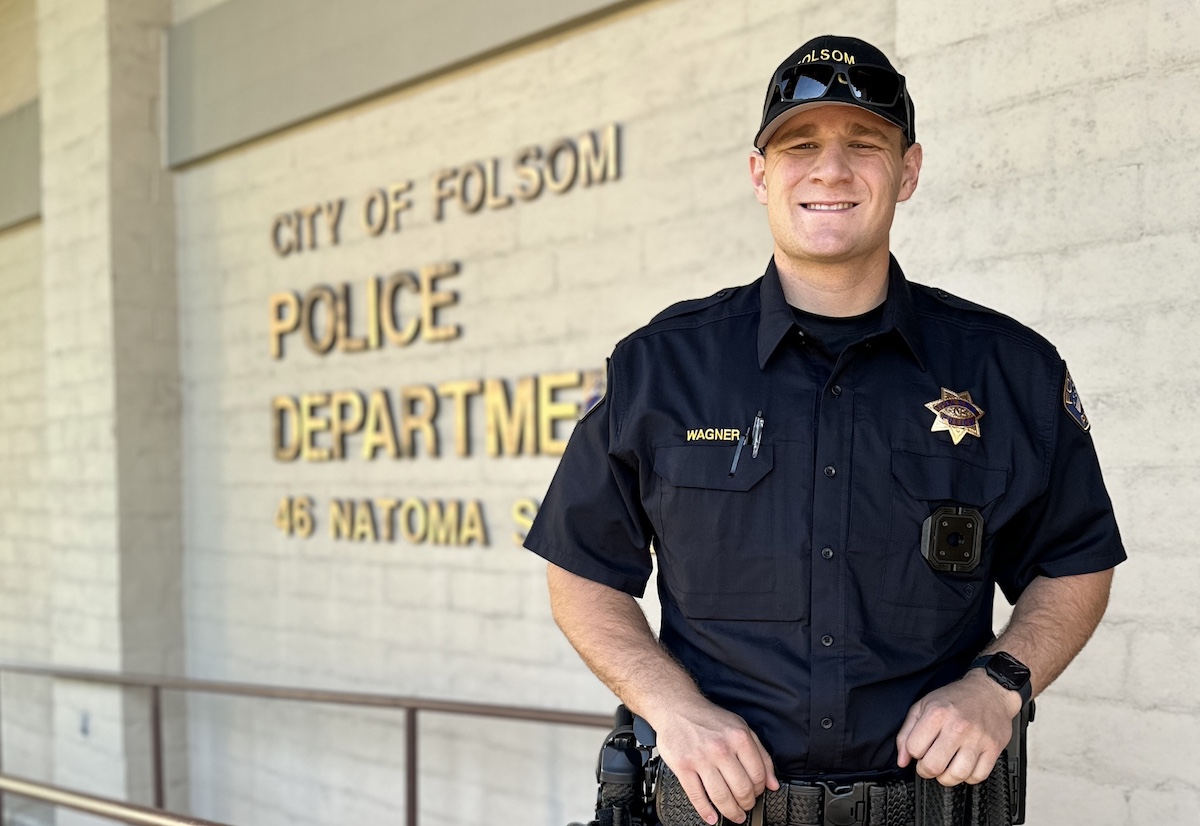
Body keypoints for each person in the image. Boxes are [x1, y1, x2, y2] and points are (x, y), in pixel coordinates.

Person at [524, 34, 1124, 826]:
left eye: (864, 144)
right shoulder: (660, 367)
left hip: (931, 811)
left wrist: (999, 683)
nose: (831, 170)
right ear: (759, 175)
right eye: (799, 145)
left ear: (908, 170)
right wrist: (672, 709)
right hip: (719, 811)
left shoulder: (1009, 369)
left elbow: (1075, 561)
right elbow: (582, 570)